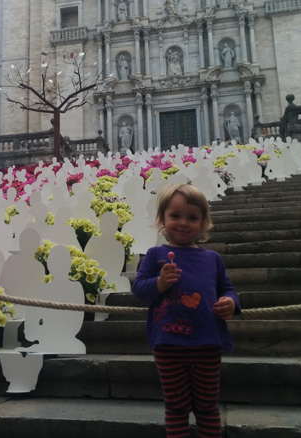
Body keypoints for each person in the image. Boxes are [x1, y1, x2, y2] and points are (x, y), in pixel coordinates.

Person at [132, 184, 240, 438]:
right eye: (175, 216)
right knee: (177, 406)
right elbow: (139, 288)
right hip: (169, 343)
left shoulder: (213, 259)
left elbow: (228, 289)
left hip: (207, 342)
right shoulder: (155, 255)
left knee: (207, 406)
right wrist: (159, 283)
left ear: (203, 223)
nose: (183, 223)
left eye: (192, 217)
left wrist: (230, 303)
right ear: (162, 219)